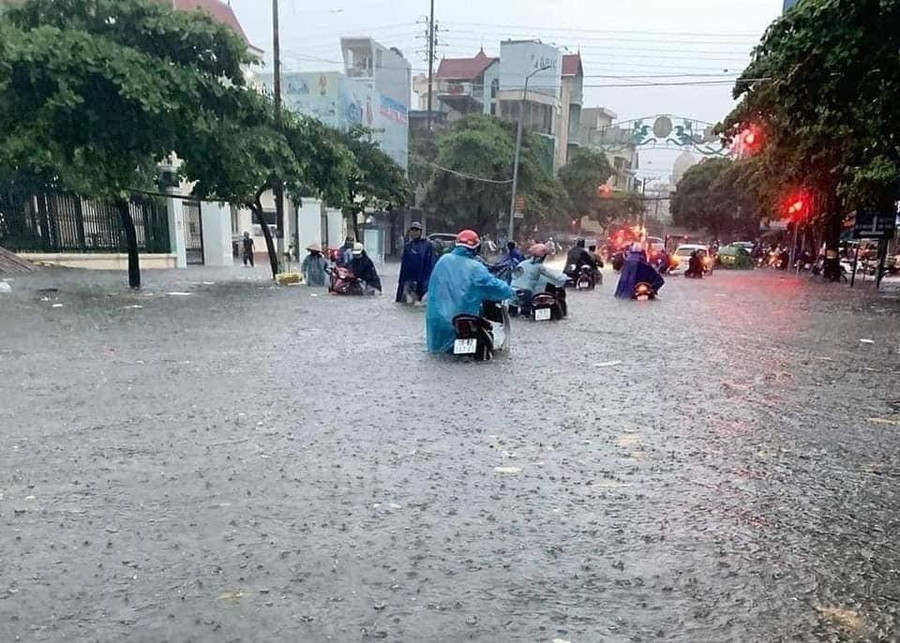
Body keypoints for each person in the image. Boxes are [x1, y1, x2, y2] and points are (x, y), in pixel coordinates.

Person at [426, 230, 514, 354]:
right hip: (465, 321)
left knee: (438, 355)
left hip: (438, 322)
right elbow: (492, 285)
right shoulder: (475, 267)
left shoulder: (443, 261)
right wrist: (511, 292)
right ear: (476, 248)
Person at [511, 243, 569, 311]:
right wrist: (565, 277)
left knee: (512, 309)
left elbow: (514, 275)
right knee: (527, 309)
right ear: (542, 256)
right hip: (527, 291)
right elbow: (553, 275)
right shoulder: (539, 267)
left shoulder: (523, 263)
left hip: (513, 290)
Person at [396, 222, 435, 303]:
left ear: (420, 232)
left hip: (423, 281)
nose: (414, 232)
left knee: (420, 303)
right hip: (409, 280)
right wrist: (401, 283)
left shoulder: (427, 245)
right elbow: (404, 266)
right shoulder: (408, 246)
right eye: (412, 230)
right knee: (407, 303)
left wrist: (429, 281)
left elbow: (431, 263)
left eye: (417, 230)